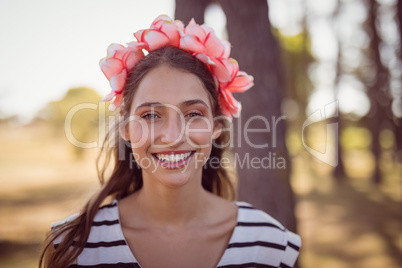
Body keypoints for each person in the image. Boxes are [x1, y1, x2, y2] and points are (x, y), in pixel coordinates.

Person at [39, 15, 301, 268]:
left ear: (216, 127)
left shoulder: (270, 245)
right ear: (126, 128)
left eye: (194, 114)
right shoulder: (75, 247)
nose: (173, 136)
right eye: (151, 115)